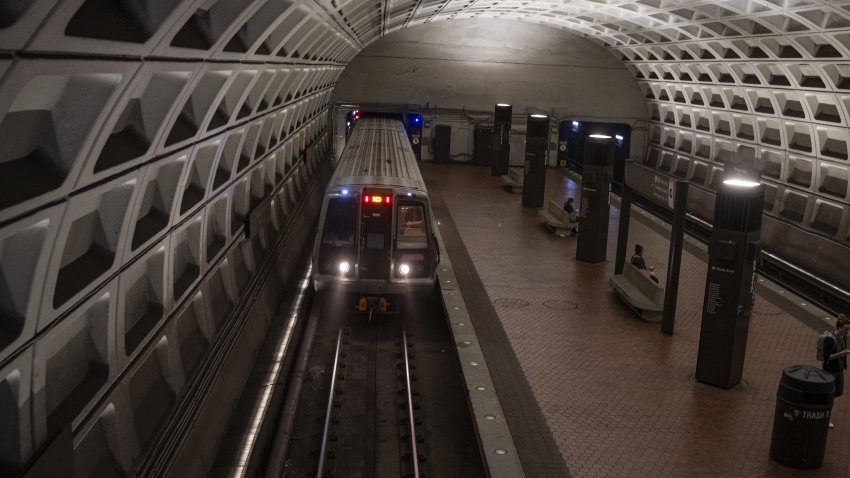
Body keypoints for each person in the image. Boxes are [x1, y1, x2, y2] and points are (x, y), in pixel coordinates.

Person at [822, 313, 850, 428]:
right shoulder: (830, 339)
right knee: (831, 393)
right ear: (839, 327)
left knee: (839, 391)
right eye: (846, 329)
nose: (847, 332)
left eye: (848, 329)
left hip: (839, 370)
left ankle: (823, 400)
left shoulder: (844, 337)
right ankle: (826, 416)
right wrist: (841, 354)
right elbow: (826, 357)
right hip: (830, 371)